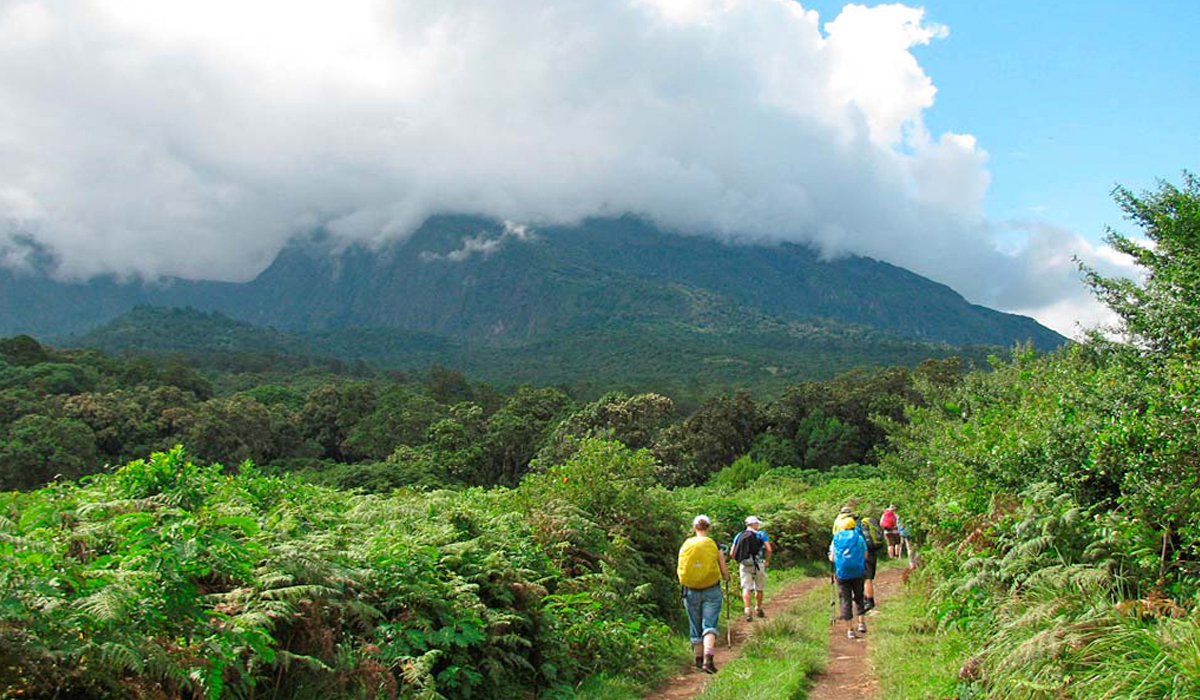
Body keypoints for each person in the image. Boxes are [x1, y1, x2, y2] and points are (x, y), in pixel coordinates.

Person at [677, 514, 730, 673]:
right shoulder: (714, 544)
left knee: (695, 625)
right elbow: (722, 568)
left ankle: (698, 660)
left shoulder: (686, 544)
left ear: (694, 528)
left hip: (690, 590)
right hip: (711, 589)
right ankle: (709, 659)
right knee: (709, 624)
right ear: (709, 527)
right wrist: (726, 578)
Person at [829, 517, 868, 639]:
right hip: (858, 572)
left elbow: (833, 558)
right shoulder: (859, 537)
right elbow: (865, 554)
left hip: (842, 574)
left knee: (845, 600)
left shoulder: (836, 538)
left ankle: (850, 630)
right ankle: (861, 623)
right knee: (859, 597)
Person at [730, 515, 773, 622]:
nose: (758, 525)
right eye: (757, 523)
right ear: (753, 524)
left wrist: (740, 560)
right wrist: (767, 561)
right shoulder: (761, 535)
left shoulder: (739, 535)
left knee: (746, 588)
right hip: (758, 564)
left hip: (744, 565)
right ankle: (758, 608)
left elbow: (732, 553)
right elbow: (769, 549)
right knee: (759, 588)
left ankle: (747, 610)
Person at [857, 514, 885, 611]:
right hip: (872, 552)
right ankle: (867, 599)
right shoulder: (868, 526)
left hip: (865, 553)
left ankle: (869, 601)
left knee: (866, 578)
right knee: (869, 577)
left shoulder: (857, 528)